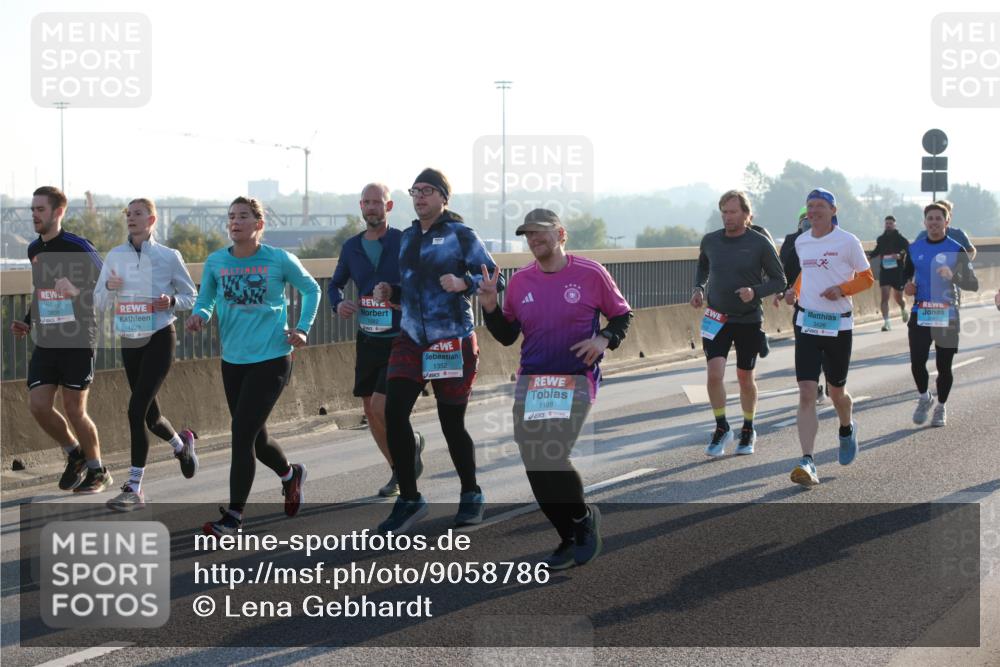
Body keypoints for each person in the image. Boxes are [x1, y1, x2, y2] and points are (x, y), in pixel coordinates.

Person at [481, 209, 631, 568]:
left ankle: (582, 518)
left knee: (551, 453)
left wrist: (604, 338)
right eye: (528, 234)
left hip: (576, 377)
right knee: (534, 461)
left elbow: (622, 315)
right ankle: (567, 536)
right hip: (533, 380)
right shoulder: (520, 282)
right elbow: (506, 335)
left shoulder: (591, 273)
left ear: (561, 234)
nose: (534, 239)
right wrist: (489, 307)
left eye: (540, 232)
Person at [372, 168, 504, 534]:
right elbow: (411, 288)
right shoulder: (407, 237)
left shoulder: (461, 235)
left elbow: (495, 280)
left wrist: (465, 282)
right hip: (411, 338)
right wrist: (391, 292)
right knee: (393, 412)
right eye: (415, 191)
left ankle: (471, 493)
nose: (419, 197)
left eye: (427, 191)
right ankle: (410, 498)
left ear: (444, 197)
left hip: (451, 339)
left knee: (451, 424)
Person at [186, 197, 320, 536]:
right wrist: (200, 315)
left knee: (241, 434)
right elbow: (207, 298)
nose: (235, 222)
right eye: (231, 216)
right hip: (233, 360)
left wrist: (303, 328)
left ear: (259, 224)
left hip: (272, 358)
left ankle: (233, 517)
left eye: (243, 216)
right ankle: (290, 474)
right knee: (256, 439)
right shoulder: (216, 261)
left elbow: (312, 289)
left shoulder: (278, 259)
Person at [94, 199, 199, 511]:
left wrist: (171, 301)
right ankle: (181, 444)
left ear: (151, 219)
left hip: (160, 337)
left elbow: (191, 295)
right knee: (151, 417)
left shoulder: (169, 256)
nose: (131, 218)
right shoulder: (115, 256)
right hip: (130, 339)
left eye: (138, 213)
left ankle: (134, 487)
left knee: (135, 409)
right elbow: (98, 302)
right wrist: (109, 287)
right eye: (128, 214)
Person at [10, 186, 111, 493]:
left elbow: (108, 284)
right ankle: (75, 453)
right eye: (32, 209)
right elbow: (41, 291)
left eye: (40, 209)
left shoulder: (78, 246)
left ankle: (99, 471)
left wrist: (77, 290)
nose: (34, 215)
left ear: (58, 212)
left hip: (79, 338)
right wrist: (28, 321)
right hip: (48, 338)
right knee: (38, 405)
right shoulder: (34, 249)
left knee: (74, 409)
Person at [328, 183, 425, 497]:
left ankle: (408, 452)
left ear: (389, 206)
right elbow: (335, 285)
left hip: (401, 337)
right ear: (361, 206)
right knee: (370, 410)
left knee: (382, 406)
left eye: (377, 202)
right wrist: (337, 304)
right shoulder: (351, 247)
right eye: (366, 202)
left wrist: (397, 293)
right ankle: (398, 468)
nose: (371, 207)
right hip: (369, 338)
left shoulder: (402, 240)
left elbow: (421, 280)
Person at [784, 188, 874, 487]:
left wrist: (842, 289)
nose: (814, 210)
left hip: (838, 325)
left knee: (837, 393)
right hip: (807, 323)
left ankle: (846, 428)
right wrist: (793, 292)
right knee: (807, 392)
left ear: (833, 210)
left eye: (820, 205)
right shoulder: (802, 241)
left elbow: (867, 278)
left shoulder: (848, 241)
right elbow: (806, 274)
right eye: (810, 206)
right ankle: (807, 460)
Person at [692, 190, 786, 457]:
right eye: (724, 212)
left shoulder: (759, 243)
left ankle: (748, 428)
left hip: (748, 320)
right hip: (716, 317)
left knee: (745, 377)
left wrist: (754, 292)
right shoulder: (710, 241)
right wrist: (699, 288)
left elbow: (780, 280)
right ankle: (722, 427)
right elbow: (703, 267)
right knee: (714, 374)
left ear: (746, 214)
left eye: (733, 212)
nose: (727, 217)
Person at [903, 200, 978, 427]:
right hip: (921, 311)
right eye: (930, 219)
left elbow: (973, 284)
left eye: (938, 219)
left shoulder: (956, 248)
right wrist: (907, 287)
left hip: (947, 313)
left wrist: (953, 276)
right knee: (917, 362)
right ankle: (924, 397)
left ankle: (941, 407)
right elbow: (905, 277)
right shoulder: (914, 249)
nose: (934, 222)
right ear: (924, 222)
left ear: (947, 222)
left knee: (944, 366)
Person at [776, 207, 829, 404]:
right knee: (807, 349)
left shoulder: (833, 241)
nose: (809, 223)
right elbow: (784, 269)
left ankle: (832, 381)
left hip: (828, 305)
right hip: (803, 304)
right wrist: (783, 291)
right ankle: (815, 385)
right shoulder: (793, 243)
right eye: (805, 221)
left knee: (827, 348)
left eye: (813, 219)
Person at [868, 215, 910, 331]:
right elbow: (877, 250)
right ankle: (886, 322)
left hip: (898, 272)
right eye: (887, 223)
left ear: (895, 225)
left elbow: (907, 249)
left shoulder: (901, 239)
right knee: (884, 297)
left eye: (890, 223)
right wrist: (870, 256)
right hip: (885, 272)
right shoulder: (881, 239)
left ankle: (903, 308)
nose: (888, 225)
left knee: (898, 298)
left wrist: (900, 255)